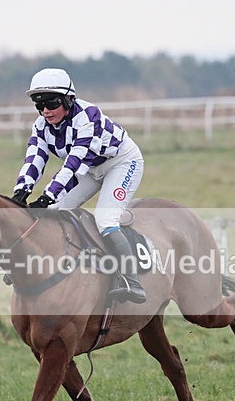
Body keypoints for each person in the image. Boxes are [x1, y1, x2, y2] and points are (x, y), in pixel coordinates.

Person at [11, 68, 146, 304]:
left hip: (121, 163)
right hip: (90, 168)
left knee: (105, 219)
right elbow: (34, 158)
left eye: (51, 103)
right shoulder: (41, 125)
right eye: (38, 104)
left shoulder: (88, 117)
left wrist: (46, 196)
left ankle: (132, 281)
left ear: (68, 99)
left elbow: (74, 165)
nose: (45, 110)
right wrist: (22, 189)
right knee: (54, 213)